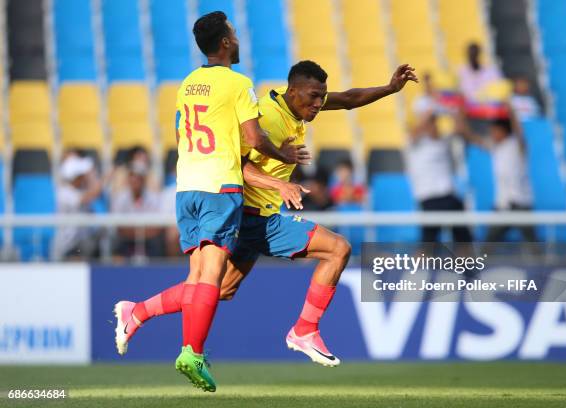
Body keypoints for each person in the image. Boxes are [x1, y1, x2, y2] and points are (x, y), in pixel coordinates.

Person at [115, 60, 418, 367]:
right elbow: (238, 165)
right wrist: (279, 184)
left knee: (218, 290)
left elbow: (350, 100)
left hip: (250, 217)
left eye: (321, 97)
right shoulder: (268, 119)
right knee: (338, 249)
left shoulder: (299, 106)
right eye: (313, 96)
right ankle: (305, 330)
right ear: (293, 91)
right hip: (252, 216)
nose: (318, 104)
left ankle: (137, 311)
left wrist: (390, 88)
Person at [113, 11, 309, 392]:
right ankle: (192, 351)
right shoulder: (237, 84)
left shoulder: (188, 83)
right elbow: (253, 139)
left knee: (200, 277)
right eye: (233, 35)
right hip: (220, 184)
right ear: (224, 43)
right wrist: (284, 157)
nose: (237, 40)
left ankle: (136, 312)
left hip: (187, 185)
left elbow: (177, 130)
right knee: (213, 277)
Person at [409, 77, 472, 243]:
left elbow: (461, 128)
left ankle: (468, 268)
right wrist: (433, 101)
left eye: (434, 121)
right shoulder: (416, 144)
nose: (433, 124)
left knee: (463, 238)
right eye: (430, 122)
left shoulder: (445, 141)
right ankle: (418, 269)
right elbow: (417, 128)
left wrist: (452, 107)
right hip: (429, 198)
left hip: (448, 195)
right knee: (428, 242)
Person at [457, 113, 537, 242]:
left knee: (532, 244)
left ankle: (539, 260)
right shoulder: (495, 147)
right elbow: (469, 137)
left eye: (495, 131)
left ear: (504, 131)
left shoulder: (517, 145)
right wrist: (460, 113)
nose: (492, 134)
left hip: (521, 203)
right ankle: (480, 262)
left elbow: (519, 132)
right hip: (503, 204)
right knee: (489, 244)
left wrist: (510, 109)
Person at [52, 153, 103, 260]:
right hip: (68, 247)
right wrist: (99, 178)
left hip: (80, 243)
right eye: (81, 175)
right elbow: (90, 195)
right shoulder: (64, 192)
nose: (84, 177)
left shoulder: (78, 190)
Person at [111, 160, 164, 257]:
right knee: (115, 243)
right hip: (126, 239)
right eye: (132, 176)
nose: (135, 180)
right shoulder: (120, 197)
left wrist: (137, 232)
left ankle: (157, 270)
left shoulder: (152, 197)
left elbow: (157, 227)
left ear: (143, 179)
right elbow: (118, 227)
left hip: (148, 240)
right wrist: (140, 232)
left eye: (138, 177)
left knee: (158, 243)